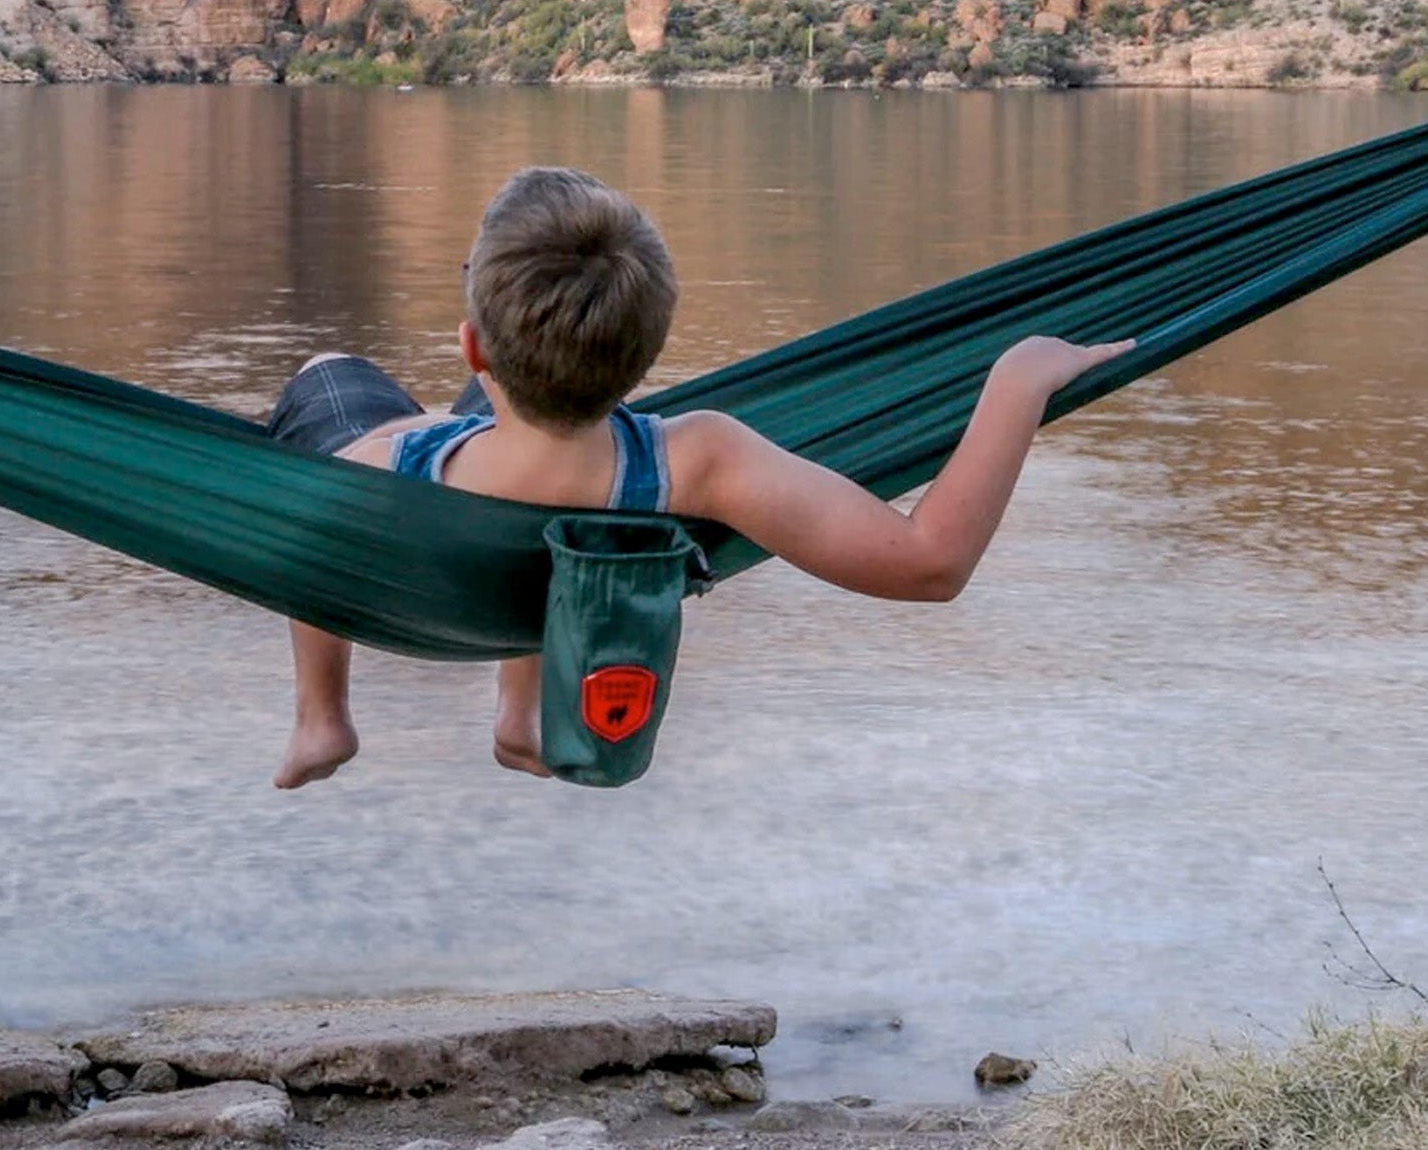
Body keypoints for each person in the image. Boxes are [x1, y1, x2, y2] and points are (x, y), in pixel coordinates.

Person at [264, 166, 1131, 789]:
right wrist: (1016, 380)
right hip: (576, 538)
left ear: (474, 347)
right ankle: (520, 711)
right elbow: (931, 561)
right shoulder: (701, 456)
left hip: (440, 510)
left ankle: (323, 717)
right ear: (649, 354)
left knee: (328, 397)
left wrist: (429, 433)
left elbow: (291, 523)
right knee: (518, 504)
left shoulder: (394, 463)